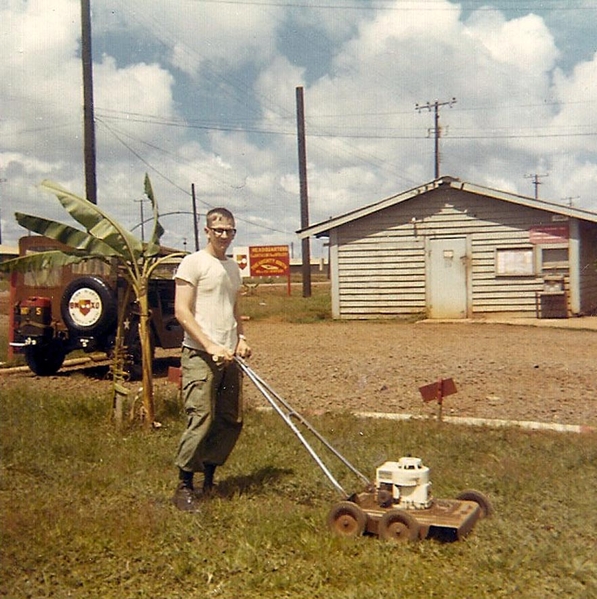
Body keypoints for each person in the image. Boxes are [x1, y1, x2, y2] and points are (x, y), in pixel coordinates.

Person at [171, 207, 251, 512]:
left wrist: (241, 338)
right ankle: (184, 486)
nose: (224, 235)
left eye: (229, 230)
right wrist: (209, 345)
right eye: (218, 230)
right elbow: (182, 311)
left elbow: (234, 310)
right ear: (207, 231)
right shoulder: (193, 263)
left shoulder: (232, 268)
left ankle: (209, 478)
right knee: (200, 419)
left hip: (229, 356)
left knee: (230, 420)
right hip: (200, 354)